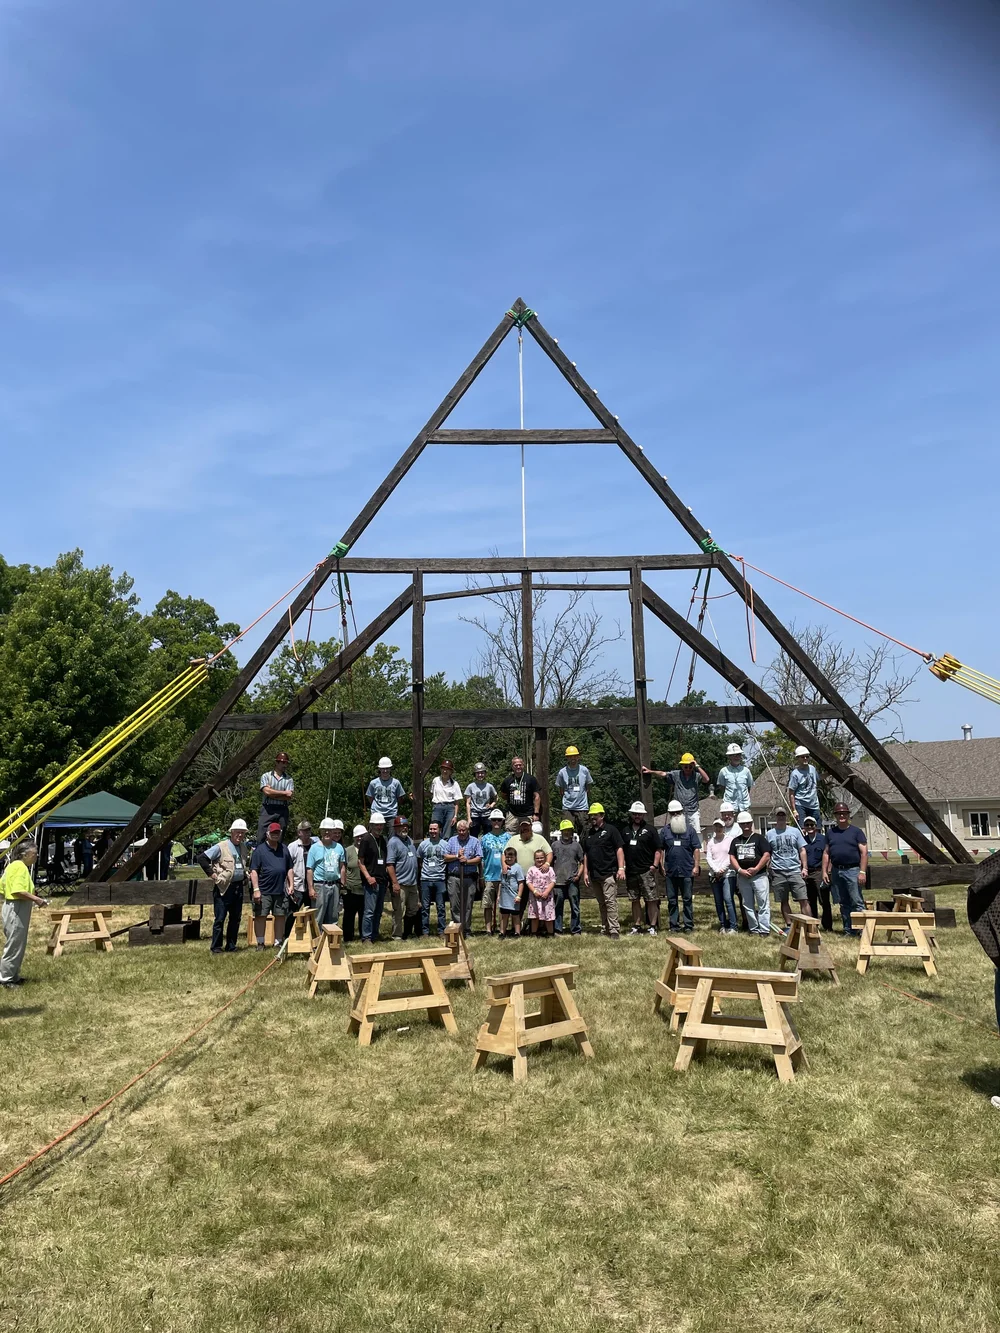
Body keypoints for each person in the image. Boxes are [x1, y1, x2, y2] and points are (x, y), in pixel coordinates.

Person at [199, 817, 250, 953]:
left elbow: (241, 865)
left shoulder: (243, 847)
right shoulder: (221, 846)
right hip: (224, 887)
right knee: (220, 918)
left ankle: (231, 946)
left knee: (235, 918)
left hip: (238, 887)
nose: (240, 835)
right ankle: (216, 947)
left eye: (242, 833)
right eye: (237, 832)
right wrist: (212, 875)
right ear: (231, 832)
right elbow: (202, 858)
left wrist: (245, 875)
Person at [0, 842, 47, 987]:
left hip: (14, 906)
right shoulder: (19, 867)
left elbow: (2, 887)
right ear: (24, 855)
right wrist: (37, 899)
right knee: (14, 943)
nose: (36, 856)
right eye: (34, 853)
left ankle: (13, 976)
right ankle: (6, 978)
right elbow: (17, 891)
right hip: (17, 907)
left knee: (18, 943)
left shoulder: (13, 866)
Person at [822, 803, 868, 937]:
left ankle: (862, 931)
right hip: (837, 870)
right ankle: (849, 930)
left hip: (853, 870)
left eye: (844, 813)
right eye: (839, 814)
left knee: (856, 901)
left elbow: (864, 853)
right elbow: (826, 853)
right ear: (835, 816)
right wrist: (824, 871)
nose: (841, 816)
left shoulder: (856, 832)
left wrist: (862, 872)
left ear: (848, 815)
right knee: (843, 902)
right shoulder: (830, 833)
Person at [249, 822, 294, 949]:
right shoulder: (259, 850)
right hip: (263, 891)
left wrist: (291, 885)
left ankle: (278, 942)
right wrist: (256, 889)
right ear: (267, 834)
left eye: (277, 832)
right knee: (260, 916)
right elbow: (253, 871)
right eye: (273, 832)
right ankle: (260, 943)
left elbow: (290, 868)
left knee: (280, 916)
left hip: (280, 890)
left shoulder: (284, 849)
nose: (275, 835)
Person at [583, 803, 625, 939]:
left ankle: (614, 930)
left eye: (595, 815)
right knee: (601, 903)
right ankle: (605, 927)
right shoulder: (589, 833)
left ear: (602, 816)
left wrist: (621, 868)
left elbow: (619, 849)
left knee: (610, 902)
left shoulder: (611, 830)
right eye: (591, 815)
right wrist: (585, 872)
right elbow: (586, 854)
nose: (592, 818)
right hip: (594, 874)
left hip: (608, 872)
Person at [659, 800, 702, 933]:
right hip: (670, 871)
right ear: (669, 814)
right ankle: (674, 925)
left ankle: (688, 925)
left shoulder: (690, 830)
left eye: (678, 812)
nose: (676, 815)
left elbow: (696, 849)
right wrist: (661, 865)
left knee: (687, 899)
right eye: (673, 813)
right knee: (672, 900)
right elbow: (660, 849)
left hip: (687, 870)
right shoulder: (665, 831)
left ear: (682, 812)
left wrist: (696, 866)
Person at [643, 753, 710, 834]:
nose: (688, 769)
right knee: (678, 832)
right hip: (679, 811)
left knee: (696, 833)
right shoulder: (676, 774)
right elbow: (663, 774)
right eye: (686, 767)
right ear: (682, 766)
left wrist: (697, 766)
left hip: (693, 811)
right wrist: (650, 771)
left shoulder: (696, 776)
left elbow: (706, 779)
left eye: (690, 767)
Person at [766, 806, 810, 929]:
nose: (781, 817)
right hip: (778, 872)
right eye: (779, 815)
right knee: (783, 900)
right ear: (775, 817)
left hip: (795, 870)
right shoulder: (769, 834)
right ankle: (789, 926)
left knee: (803, 899)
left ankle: (809, 926)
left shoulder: (795, 831)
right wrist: (768, 869)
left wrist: (804, 868)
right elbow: (767, 853)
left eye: (783, 815)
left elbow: (802, 850)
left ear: (786, 817)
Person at [623, 800, 662, 936]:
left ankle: (652, 926)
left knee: (651, 899)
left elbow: (658, 849)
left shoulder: (651, 830)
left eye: (639, 814)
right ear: (631, 814)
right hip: (631, 871)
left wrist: (655, 865)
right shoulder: (625, 830)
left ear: (643, 815)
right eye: (635, 814)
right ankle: (637, 926)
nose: (637, 816)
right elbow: (621, 850)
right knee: (634, 900)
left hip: (646, 871)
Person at [729, 812, 771, 936]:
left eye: (748, 823)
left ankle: (764, 929)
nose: (746, 825)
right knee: (747, 904)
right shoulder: (736, 840)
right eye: (743, 823)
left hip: (759, 876)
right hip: (743, 877)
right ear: (739, 825)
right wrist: (740, 870)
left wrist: (756, 869)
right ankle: (754, 928)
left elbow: (766, 855)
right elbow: (732, 857)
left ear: (751, 823)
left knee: (763, 902)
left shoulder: (759, 838)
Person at [307, 818, 346, 931]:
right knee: (318, 916)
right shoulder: (314, 848)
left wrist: (342, 884)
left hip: (335, 885)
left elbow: (342, 867)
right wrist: (311, 888)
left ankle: (331, 940)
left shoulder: (339, 847)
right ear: (320, 831)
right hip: (320, 885)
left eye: (330, 830)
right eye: (324, 830)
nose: (327, 832)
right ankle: (317, 940)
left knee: (333, 916)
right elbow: (309, 869)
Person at [443, 820, 482, 935]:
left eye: (463, 830)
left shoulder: (475, 841)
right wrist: (456, 856)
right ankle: (457, 929)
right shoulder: (452, 840)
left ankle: (466, 929)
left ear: (468, 830)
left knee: (468, 905)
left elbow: (479, 858)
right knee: (455, 904)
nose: (461, 832)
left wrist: (467, 861)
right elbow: (445, 857)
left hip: (469, 878)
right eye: (459, 830)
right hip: (454, 877)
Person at [386, 816, 421, 940]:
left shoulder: (409, 840)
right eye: (401, 826)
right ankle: (397, 935)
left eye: (406, 826)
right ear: (396, 828)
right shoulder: (393, 842)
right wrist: (394, 883)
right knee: (399, 911)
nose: (404, 828)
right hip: (400, 883)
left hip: (412, 883)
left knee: (413, 909)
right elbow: (390, 865)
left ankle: (407, 932)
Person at [704, 815, 740, 934]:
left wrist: (722, 869)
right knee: (718, 901)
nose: (718, 828)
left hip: (728, 874)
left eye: (720, 826)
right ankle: (723, 925)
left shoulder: (729, 840)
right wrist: (715, 870)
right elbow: (708, 857)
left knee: (728, 899)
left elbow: (731, 856)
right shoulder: (710, 842)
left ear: (724, 827)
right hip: (714, 875)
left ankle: (733, 926)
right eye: (716, 826)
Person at [358, 812, 390, 943]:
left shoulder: (383, 840)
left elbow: (385, 860)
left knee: (378, 911)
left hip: (382, 880)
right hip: (371, 881)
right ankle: (366, 936)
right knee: (369, 911)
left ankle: (374, 935)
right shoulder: (366, 839)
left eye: (381, 825)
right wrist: (368, 877)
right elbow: (360, 862)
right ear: (371, 825)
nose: (379, 827)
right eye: (377, 825)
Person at [480, 810, 511, 935]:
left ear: (503, 821)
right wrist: (481, 876)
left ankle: (501, 928)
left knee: (503, 904)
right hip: (489, 876)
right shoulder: (484, 838)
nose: (496, 822)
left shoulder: (508, 837)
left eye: (499, 820)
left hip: (504, 876)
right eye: (494, 820)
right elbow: (481, 859)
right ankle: (488, 929)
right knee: (487, 904)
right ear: (490, 821)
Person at [417, 820, 450, 936]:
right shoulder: (423, 844)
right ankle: (425, 931)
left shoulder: (445, 845)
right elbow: (419, 860)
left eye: (435, 829)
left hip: (440, 879)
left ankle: (441, 931)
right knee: (425, 907)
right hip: (425, 879)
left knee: (441, 907)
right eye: (431, 829)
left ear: (440, 830)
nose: (433, 831)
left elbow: (448, 859)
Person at [552, 820, 584, 936]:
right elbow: (550, 862)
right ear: (561, 831)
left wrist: (578, 875)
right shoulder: (555, 845)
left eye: (569, 830)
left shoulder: (576, 845)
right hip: (558, 882)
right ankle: (557, 929)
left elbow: (582, 862)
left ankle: (576, 929)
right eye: (564, 830)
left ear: (572, 831)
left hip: (572, 881)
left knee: (575, 906)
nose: (567, 833)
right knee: (557, 906)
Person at [284, 819, 314, 940]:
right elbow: (287, 867)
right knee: (292, 913)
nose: (307, 833)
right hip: (297, 886)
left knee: (312, 914)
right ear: (299, 832)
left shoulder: (315, 845)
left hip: (312, 886)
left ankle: (311, 938)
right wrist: (289, 885)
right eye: (304, 831)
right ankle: (286, 937)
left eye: (309, 830)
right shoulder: (292, 847)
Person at [555, 746, 593, 839]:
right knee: (567, 831)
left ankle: (583, 848)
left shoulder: (584, 770)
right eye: (570, 756)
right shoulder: (562, 772)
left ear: (578, 757)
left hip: (582, 807)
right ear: (567, 758)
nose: (573, 758)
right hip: (568, 807)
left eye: (575, 756)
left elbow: (588, 787)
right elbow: (561, 790)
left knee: (585, 831)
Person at [801, 815, 832, 930]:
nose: (809, 827)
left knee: (824, 900)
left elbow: (829, 856)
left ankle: (827, 926)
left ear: (816, 826)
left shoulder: (823, 839)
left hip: (820, 872)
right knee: (810, 900)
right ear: (804, 827)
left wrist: (827, 871)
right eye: (807, 825)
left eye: (811, 825)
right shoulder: (802, 840)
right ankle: (813, 925)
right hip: (807, 873)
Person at [257, 752, 294, 841]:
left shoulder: (289, 779)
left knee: (280, 836)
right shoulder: (266, 776)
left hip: (282, 809)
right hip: (267, 808)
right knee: (261, 835)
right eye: (283, 762)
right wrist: (284, 793)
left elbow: (289, 796)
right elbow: (266, 791)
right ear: (276, 762)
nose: (285, 765)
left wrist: (272, 793)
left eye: (286, 763)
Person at [499, 756, 540, 834]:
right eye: (516, 765)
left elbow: (537, 796)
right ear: (512, 767)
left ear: (523, 765)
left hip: (527, 814)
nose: (518, 767)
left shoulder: (531, 779)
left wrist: (536, 813)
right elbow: (503, 795)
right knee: (510, 834)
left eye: (520, 765)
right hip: (512, 814)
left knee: (527, 835)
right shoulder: (507, 780)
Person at [341, 825, 367, 944]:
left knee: (364, 913)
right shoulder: (348, 851)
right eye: (358, 836)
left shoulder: (368, 849)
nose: (360, 838)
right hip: (350, 888)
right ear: (354, 837)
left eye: (362, 836)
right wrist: (344, 884)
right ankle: (348, 937)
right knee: (349, 914)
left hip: (365, 887)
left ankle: (364, 935)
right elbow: (343, 868)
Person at [428, 759, 463, 840]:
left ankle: (446, 846)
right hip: (437, 806)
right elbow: (431, 793)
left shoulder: (454, 784)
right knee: (435, 828)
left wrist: (455, 816)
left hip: (450, 808)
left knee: (448, 831)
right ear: (441, 770)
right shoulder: (435, 780)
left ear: (451, 772)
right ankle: (435, 845)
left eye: (447, 769)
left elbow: (457, 802)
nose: (445, 771)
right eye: (443, 769)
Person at [365, 757, 408, 824]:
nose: (385, 771)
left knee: (393, 830)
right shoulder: (373, 783)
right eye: (383, 769)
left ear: (390, 769)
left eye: (387, 768)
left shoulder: (396, 783)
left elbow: (400, 798)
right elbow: (370, 797)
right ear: (380, 769)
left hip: (391, 815)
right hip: (377, 816)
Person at [787, 746, 821, 827]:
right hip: (801, 805)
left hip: (814, 805)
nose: (805, 758)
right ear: (798, 758)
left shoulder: (812, 769)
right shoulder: (795, 774)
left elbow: (819, 778)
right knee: (803, 828)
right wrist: (794, 810)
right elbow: (791, 793)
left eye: (807, 756)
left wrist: (830, 773)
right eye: (802, 757)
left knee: (817, 828)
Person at [526, 848, 557, 937]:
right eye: (537, 858)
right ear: (534, 859)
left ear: (545, 858)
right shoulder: (531, 869)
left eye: (542, 858)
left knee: (548, 915)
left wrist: (547, 892)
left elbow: (553, 881)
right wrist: (534, 891)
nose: (540, 860)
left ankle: (550, 933)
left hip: (547, 896)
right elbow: (528, 881)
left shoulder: (550, 869)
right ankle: (534, 933)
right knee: (535, 915)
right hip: (535, 896)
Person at [716, 743, 753, 813]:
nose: (737, 757)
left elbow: (748, 787)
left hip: (745, 807)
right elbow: (722, 788)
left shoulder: (746, 771)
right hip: (729, 808)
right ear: (729, 756)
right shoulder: (723, 771)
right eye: (734, 755)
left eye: (739, 754)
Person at [498, 845, 525, 938]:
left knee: (515, 916)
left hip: (514, 896)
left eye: (511, 856)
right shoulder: (503, 867)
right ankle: (502, 932)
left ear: (515, 857)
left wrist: (519, 896)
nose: (509, 858)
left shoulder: (517, 867)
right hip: (504, 896)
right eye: (507, 857)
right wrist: (498, 896)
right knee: (504, 915)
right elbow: (500, 883)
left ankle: (517, 932)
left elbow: (521, 883)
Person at [464, 762, 498, 836]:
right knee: (473, 836)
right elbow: (468, 803)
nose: (480, 775)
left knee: (488, 835)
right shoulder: (470, 786)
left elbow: (496, 797)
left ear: (485, 774)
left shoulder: (489, 786)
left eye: (482, 773)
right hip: (474, 815)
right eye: (478, 773)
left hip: (486, 814)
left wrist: (492, 805)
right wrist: (469, 818)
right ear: (475, 774)